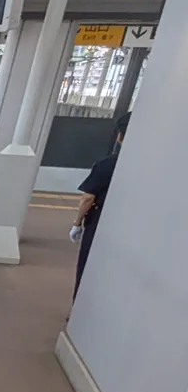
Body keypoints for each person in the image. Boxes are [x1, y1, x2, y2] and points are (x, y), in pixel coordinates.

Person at [72, 113, 128, 298]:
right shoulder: (154, 165)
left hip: (101, 221)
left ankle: (79, 312)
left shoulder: (108, 164)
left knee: (88, 265)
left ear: (120, 136)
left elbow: (87, 198)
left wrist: (77, 222)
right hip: (131, 223)